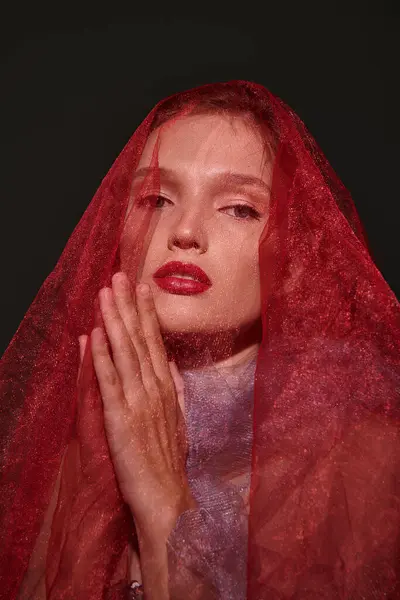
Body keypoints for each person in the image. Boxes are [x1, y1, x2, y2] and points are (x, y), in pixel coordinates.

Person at [0, 81, 399, 600]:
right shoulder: (61, 450)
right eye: (157, 198)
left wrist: (163, 505)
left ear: (296, 252)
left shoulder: (367, 463)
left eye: (239, 208)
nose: (185, 231)